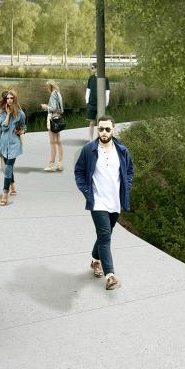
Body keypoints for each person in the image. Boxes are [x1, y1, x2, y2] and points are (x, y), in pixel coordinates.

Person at [72, 116, 133, 291]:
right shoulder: (89, 149)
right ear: (97, 130)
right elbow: (79, 171)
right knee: (105, 236)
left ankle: (95, 261)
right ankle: (110, 276)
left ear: (113, 129)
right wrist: (85, 190)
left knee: (105, 235)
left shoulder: (122, 150)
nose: (103, 132)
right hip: (97, 201)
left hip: (115, 202)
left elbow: (129, 170)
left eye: (107, 129)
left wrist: (126, 186)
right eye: (100, 129)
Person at [0, 89, 26, 207]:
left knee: (7, 168)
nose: (10, 100)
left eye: (12, 98)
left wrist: (22, 130)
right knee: (8, 168)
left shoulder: (21, 114)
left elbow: (24, 126)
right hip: (3, 145)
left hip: (14, 145)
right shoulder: (2, 114)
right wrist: (7, 114)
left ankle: (4, 195)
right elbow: (3, 128)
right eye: (8, 98)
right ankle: (13, 186)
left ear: (15, 99)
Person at [41, 80, 65, 172]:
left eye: (47, 87)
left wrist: (45, 107)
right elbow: (60, 109)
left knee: (52, 142)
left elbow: (53, 108)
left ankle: (51, 165)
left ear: (50, 86)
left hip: (52, 119)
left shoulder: (53, 94)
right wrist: (49, 107)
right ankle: (60, 164)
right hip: (57, 118)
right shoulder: (58, 93)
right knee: (58, 141)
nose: (46, 89)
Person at [84, 64, 110, 140]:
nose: (91, 69)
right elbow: (88, 90)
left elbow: (107, 91)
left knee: (101, 123)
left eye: (92, 68)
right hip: (91, 104)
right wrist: (87, 100)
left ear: (97, 68)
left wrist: (106, 102)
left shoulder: (105, 78)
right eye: (91, 68)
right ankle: (91, 140)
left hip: (101, 104)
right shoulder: (91, 78)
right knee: (91, 123)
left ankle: (100, 138)